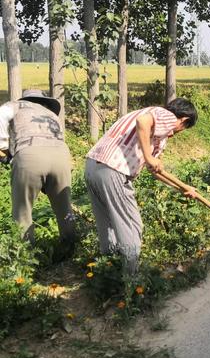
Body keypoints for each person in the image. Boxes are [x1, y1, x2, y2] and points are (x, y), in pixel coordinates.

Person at [84, 98, 198, 273]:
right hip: (114, 169)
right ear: (183, 121)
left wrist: (183, 188)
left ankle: (107, 271)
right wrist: (148, 155)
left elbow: (156, 170)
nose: (177, 133)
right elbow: (143, 122)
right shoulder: (166, 115)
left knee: (107, 223)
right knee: (132, 226)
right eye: (183, 128)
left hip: (93, 166)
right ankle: (131, 280)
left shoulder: (156, 132)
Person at [0, 90, 76, 258]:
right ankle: (71, 252)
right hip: (61, 156)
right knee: (65, 209)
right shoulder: (51, 114)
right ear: (44, 101)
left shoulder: (16, 105)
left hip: (29, 153)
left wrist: (3, 147)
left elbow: (1, 115)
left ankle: (25, 257)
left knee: (22, 211)